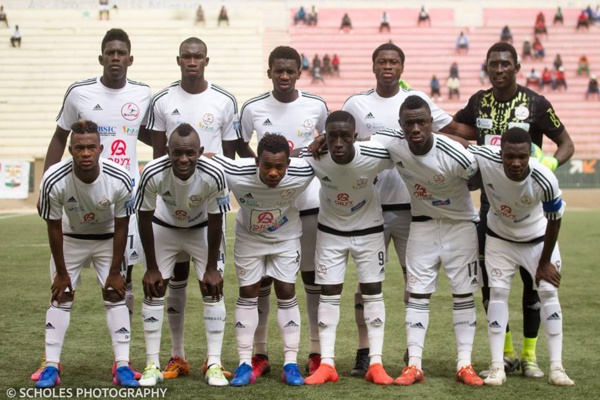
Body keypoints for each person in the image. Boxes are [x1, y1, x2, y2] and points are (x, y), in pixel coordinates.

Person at [337, 42, 474, 378]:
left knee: (413, 281)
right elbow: (341, 135)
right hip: (368, 206)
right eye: (382, 61)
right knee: (367, 283)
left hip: (413, 208)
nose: (388, 66)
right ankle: (364, 350)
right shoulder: (357, 103)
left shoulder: (418, 102)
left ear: (402, 66)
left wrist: (472, 141)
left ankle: (412, 351)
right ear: (373, 66)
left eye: (394, 61)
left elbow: (452, 129)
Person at [33, 28, 151, 382]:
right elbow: (59, 136)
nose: (115, 58)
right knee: (62, 289)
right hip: (76, 198)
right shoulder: (79, 92)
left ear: (130, 58)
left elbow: (152, 135)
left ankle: (123, 361)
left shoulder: (143, 94)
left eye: (121, 53)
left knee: (121, 284)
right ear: (101, 57)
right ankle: (51, 361)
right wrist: (48, 183)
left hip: (120, 197)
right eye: (109, 52)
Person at [453, 41, 574, 380]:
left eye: (506, 64)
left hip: (529, 201)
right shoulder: (478, 102)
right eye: (494, 64)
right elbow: (455, 130)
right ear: (487, 67)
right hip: (491, 206)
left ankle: (531, 356)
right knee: (492, 286)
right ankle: (504, 356)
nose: (500, 69)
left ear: (517, 67)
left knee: (533, 284)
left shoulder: (536, 102)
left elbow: (567, 144)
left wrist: (549, 162)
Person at [145, 37, 241, 381]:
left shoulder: (225, 100)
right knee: (174, 282)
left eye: (197, 56)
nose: (192, 61)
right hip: (170, 209)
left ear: (206, 60)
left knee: (210, 284)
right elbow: (159, 156)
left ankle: (212, 360)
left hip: (207, 207)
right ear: (178, 59)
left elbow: (229, 155)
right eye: (186, 56)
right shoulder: (162, 100)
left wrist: (213, 164)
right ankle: (177, 356)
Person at [372, 95, 483, 387]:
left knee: (462, 294)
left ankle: (464, 364)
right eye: (409, 123)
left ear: (432, 123)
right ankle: (414, 365)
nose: (416, 128)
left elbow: (478, 179)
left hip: (460, 226)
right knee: (418, 294)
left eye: (422, 122)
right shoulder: (392, 142)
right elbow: (360, 141)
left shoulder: (455, 153)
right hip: (421, 225)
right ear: (401, 125)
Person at [237, 46, 328, 379]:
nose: (284, 76)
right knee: (260, 283)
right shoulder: (253, 108)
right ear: (270, 72)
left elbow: (327, 142)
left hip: (310, 206)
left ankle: (315, 352)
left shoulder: (316, 106)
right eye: (279, 70)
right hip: (269, 211)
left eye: (290, 71)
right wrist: (263, 175)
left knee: (309, 280)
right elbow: (238, 144)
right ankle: (259, 354)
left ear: (300, 72)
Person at [466, 128, 575, 387]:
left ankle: (557, 368)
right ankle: (496, 367)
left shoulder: (545, 179)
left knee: (548, 292)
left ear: (531, 155)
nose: (516, 163)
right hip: (499, 239)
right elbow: (460, 143)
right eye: (510, 156)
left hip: (537, 241)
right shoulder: (485, 157)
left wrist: (545, 261)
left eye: (522, 157)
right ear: (500, 152)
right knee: (497, 294)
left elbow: (555, 222)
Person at [35, 120, 138, 388]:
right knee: (61, 296)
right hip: (71, 238)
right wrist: (61, 272)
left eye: (91, 147)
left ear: (100, 148)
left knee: (116, 294)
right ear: (70, 150)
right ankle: (51, 366)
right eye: (79, 148)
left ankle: (123, 366)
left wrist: (116, 271)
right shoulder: (54, 179)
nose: (85, 153)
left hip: (107, 239)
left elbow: (122, 224)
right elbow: (54, 226)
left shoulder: (119, 177)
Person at [212, 134, 316, 387]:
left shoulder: (303, 171)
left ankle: (290, 363)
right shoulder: (236, 170)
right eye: (266, 166)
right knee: (248, 291)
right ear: (256, 161)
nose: (272, 172)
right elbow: (206, 158)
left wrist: (320, 140)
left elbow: (333, 155)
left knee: (286, 289)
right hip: (249, 238)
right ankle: (245, 363)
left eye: (279, 167)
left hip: (286, 238)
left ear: (288, 164)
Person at [302, 111, 396, 386]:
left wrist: (371, 137)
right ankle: (327, 364)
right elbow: (285, 154)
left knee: (372, 293)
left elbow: (401, 144)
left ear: (355, 136)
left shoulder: (375, 154)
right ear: (324, 138)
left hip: (369, 232)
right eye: (332, 137)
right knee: (329, 293)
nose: (339, 143)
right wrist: (314, 142)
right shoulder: (314, 156)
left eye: (345, 136)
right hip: (330, 233)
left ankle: (376, 363)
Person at [135, 124, 230, 387]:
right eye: (177, 153)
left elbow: (216, 219)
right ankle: (152, 364)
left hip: (201, 231)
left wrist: (211, 267)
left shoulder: (215, 174)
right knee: (154, 288)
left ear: (200, 151)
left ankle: (213, 363)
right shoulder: (152, 171)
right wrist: (151, 266)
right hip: (164, 228)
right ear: (167, 151)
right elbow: (143, 217)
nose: (183, 159)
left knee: (212, 288)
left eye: (190, 153)